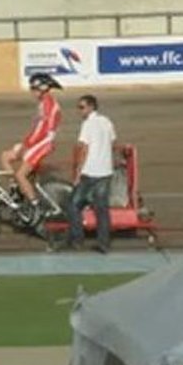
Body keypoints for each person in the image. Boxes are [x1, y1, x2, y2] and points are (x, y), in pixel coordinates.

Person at [0, 73, 63, 227]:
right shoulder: (43, 103)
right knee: (5, 156)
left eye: (34, 89)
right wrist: (25, 143)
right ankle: (15, 192)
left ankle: (36, 207)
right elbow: (36, 129)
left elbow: (41, 131)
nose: (32, 92)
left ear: (43, 88)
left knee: (21, 174)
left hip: (43, 143)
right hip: (36, 142)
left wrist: (26, 145)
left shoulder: (48, 104)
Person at [65, 95, 118, 254]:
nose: (79, 111)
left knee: (73, 204)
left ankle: (77, 239)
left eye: (82, 107)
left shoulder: (87, 124)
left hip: (90, 171)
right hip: (106, 171)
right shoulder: (107, 121)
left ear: (91, 107)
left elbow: (84, 149)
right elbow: (113, 142)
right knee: (101, 209)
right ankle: (104, 243)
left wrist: (77, 172)